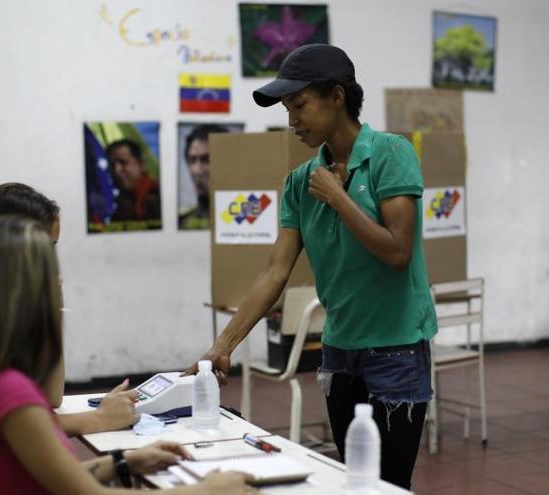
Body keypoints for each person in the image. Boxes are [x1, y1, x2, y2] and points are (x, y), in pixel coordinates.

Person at [185, 44, 437, 490]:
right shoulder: (300, 183)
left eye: (299, 105)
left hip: (396, 350)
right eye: (287, 108)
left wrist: (339, 198)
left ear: (336, 96)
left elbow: (398, 253)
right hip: (340, 351)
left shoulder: (390, 154)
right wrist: (223, 345)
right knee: (354, 479)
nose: (291, 120)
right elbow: (275, 273)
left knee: (390, 485)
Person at [0, 216, 255, 495]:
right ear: (25, 295)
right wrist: (206, 491)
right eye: (50, 273)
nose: (60, 281)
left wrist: (123, 462)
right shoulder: (11, 394)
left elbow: (45, 480)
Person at [0, 183, 138, 436]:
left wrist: (53, 306)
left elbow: (51, 397)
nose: (50, 262)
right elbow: (19, 430)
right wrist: (101, 418)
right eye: (45, 248)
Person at [178, 124, 229, 230]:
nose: (197, 171)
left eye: (207, 160)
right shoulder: (183, 222)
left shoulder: (243, 217)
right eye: (192, 160)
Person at [107, 139, 161, 223]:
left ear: (141, 164)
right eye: (111, 165)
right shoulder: (115, 205)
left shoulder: (160, 197)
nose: (116, 170)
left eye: (123, 162)